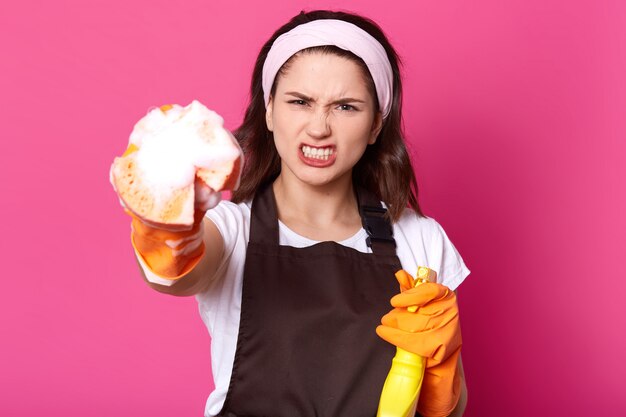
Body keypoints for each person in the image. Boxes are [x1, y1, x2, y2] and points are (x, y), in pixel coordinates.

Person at [124, 9, 470, 417]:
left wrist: (442, 370)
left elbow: (451, 410)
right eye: (300, 102)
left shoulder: (421, 240)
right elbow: (174, 275)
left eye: (345, 107)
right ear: (269, 110)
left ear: (376, 124)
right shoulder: (232, 229)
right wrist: (165, 216)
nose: (319, 127)